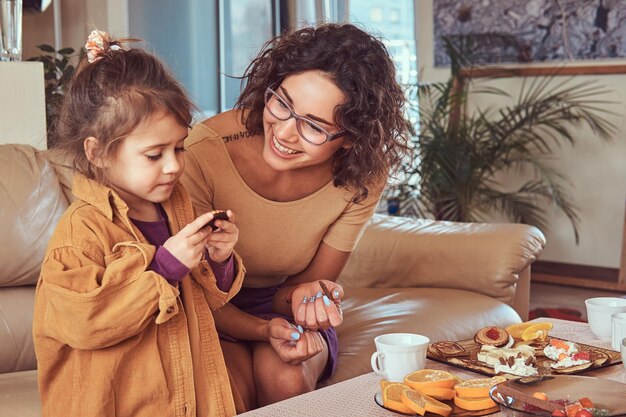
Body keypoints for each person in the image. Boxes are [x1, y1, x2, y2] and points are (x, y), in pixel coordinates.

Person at [181, 22, 410, 411]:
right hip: (208, 305)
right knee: (228, 397)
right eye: (282, 104)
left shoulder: (363, 176)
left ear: (351, 137)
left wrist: (310, 298)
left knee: (288, 382)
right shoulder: (202, 151)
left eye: (313, 126)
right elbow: (194, 287)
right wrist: (258, 328)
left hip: (282, 309)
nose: (285, 133)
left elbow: (303, 288)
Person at [33, 30, 248, 417]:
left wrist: (220, 258)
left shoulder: (178, 207)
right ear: (97, 152)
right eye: (153, 155)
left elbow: (208, 298)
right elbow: (86, 322)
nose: (173, 166)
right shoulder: (79, 233)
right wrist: (164, 268)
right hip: (115, 402)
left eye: (179, 147)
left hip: (187, 396)